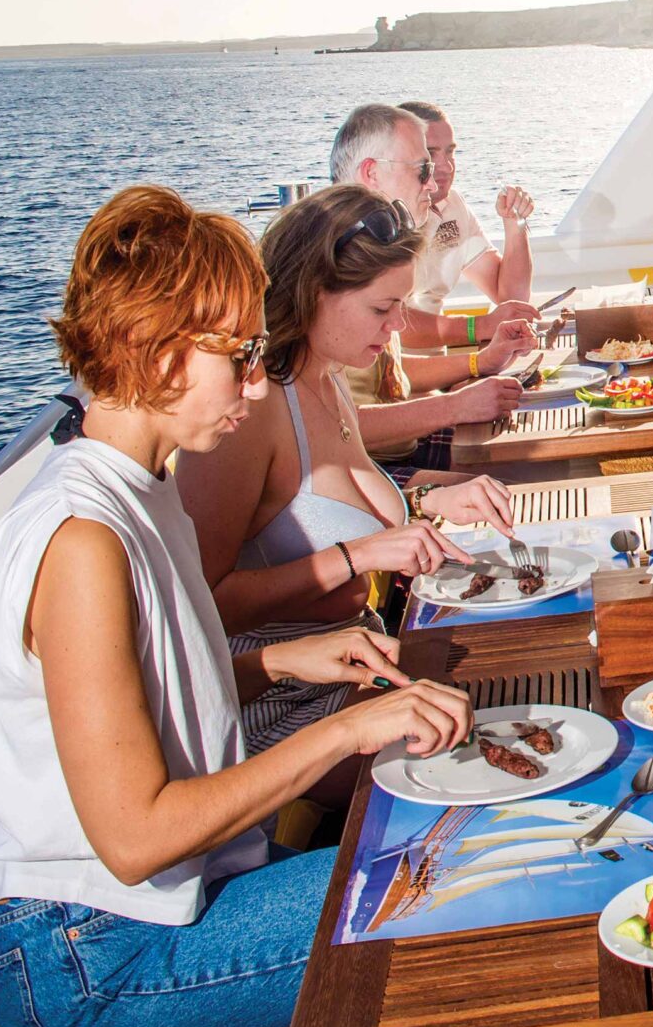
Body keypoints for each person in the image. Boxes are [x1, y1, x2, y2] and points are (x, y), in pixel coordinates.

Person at [0, 185, 497, 1027]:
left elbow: (152, 688)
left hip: (159, 905)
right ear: (161, 355)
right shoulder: (81, 539)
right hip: (88, 954)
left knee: (440, 855)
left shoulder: (140, 486)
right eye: (238, 354)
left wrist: (285, 662)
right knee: (438, 905)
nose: (256, 377)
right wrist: (348, 732)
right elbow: (136, 836)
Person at [180, 186, 522, 759]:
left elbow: (333, 503)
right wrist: (358, 556)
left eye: (401, 306)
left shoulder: (328, 376)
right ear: (314, 294)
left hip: (364, 660)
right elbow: (205, 605)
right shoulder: (248, 415)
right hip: (280, 699)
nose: (398, 326)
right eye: (382, 309)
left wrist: (434, 499)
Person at [327, 104, 533, 467]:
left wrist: (480, 362)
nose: (436, 181)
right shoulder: (335, 260)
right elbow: (331, 427)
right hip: (368, 465)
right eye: (423, 168)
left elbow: (387, 375)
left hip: (400, 440)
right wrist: (454, 405)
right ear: (371, 173)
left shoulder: (379, 243)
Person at [396, 99, 536, 317]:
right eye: (430, 154)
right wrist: (475, 328)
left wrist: (514, 222)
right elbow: (389, 320)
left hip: (441, 338)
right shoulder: (380, 218)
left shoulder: (453, 206)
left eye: (450, 152)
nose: (447, 166)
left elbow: (511, 297)